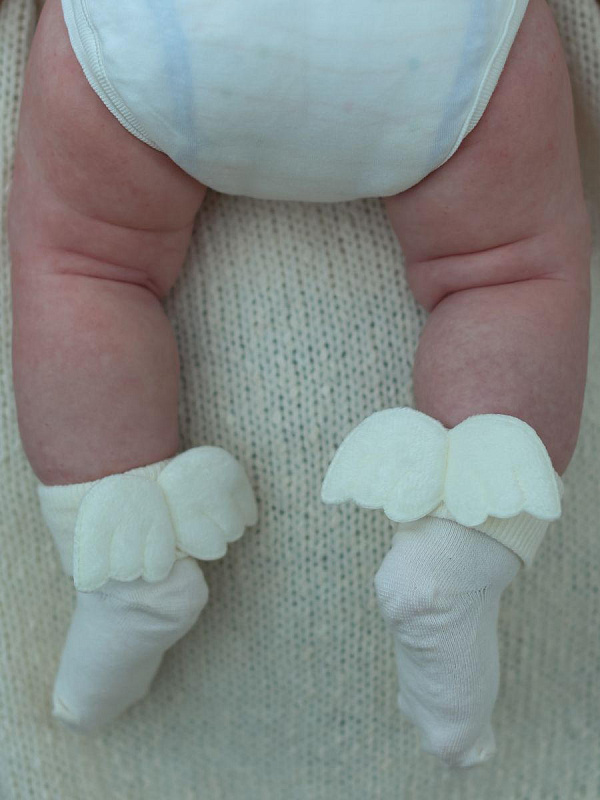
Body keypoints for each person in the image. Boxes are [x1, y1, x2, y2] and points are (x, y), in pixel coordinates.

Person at [6, 0, 591, 767]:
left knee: (86, 266)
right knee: (508, 272)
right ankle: (456, 558)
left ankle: (121, 563)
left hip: (169, 27)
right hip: (432, 33)